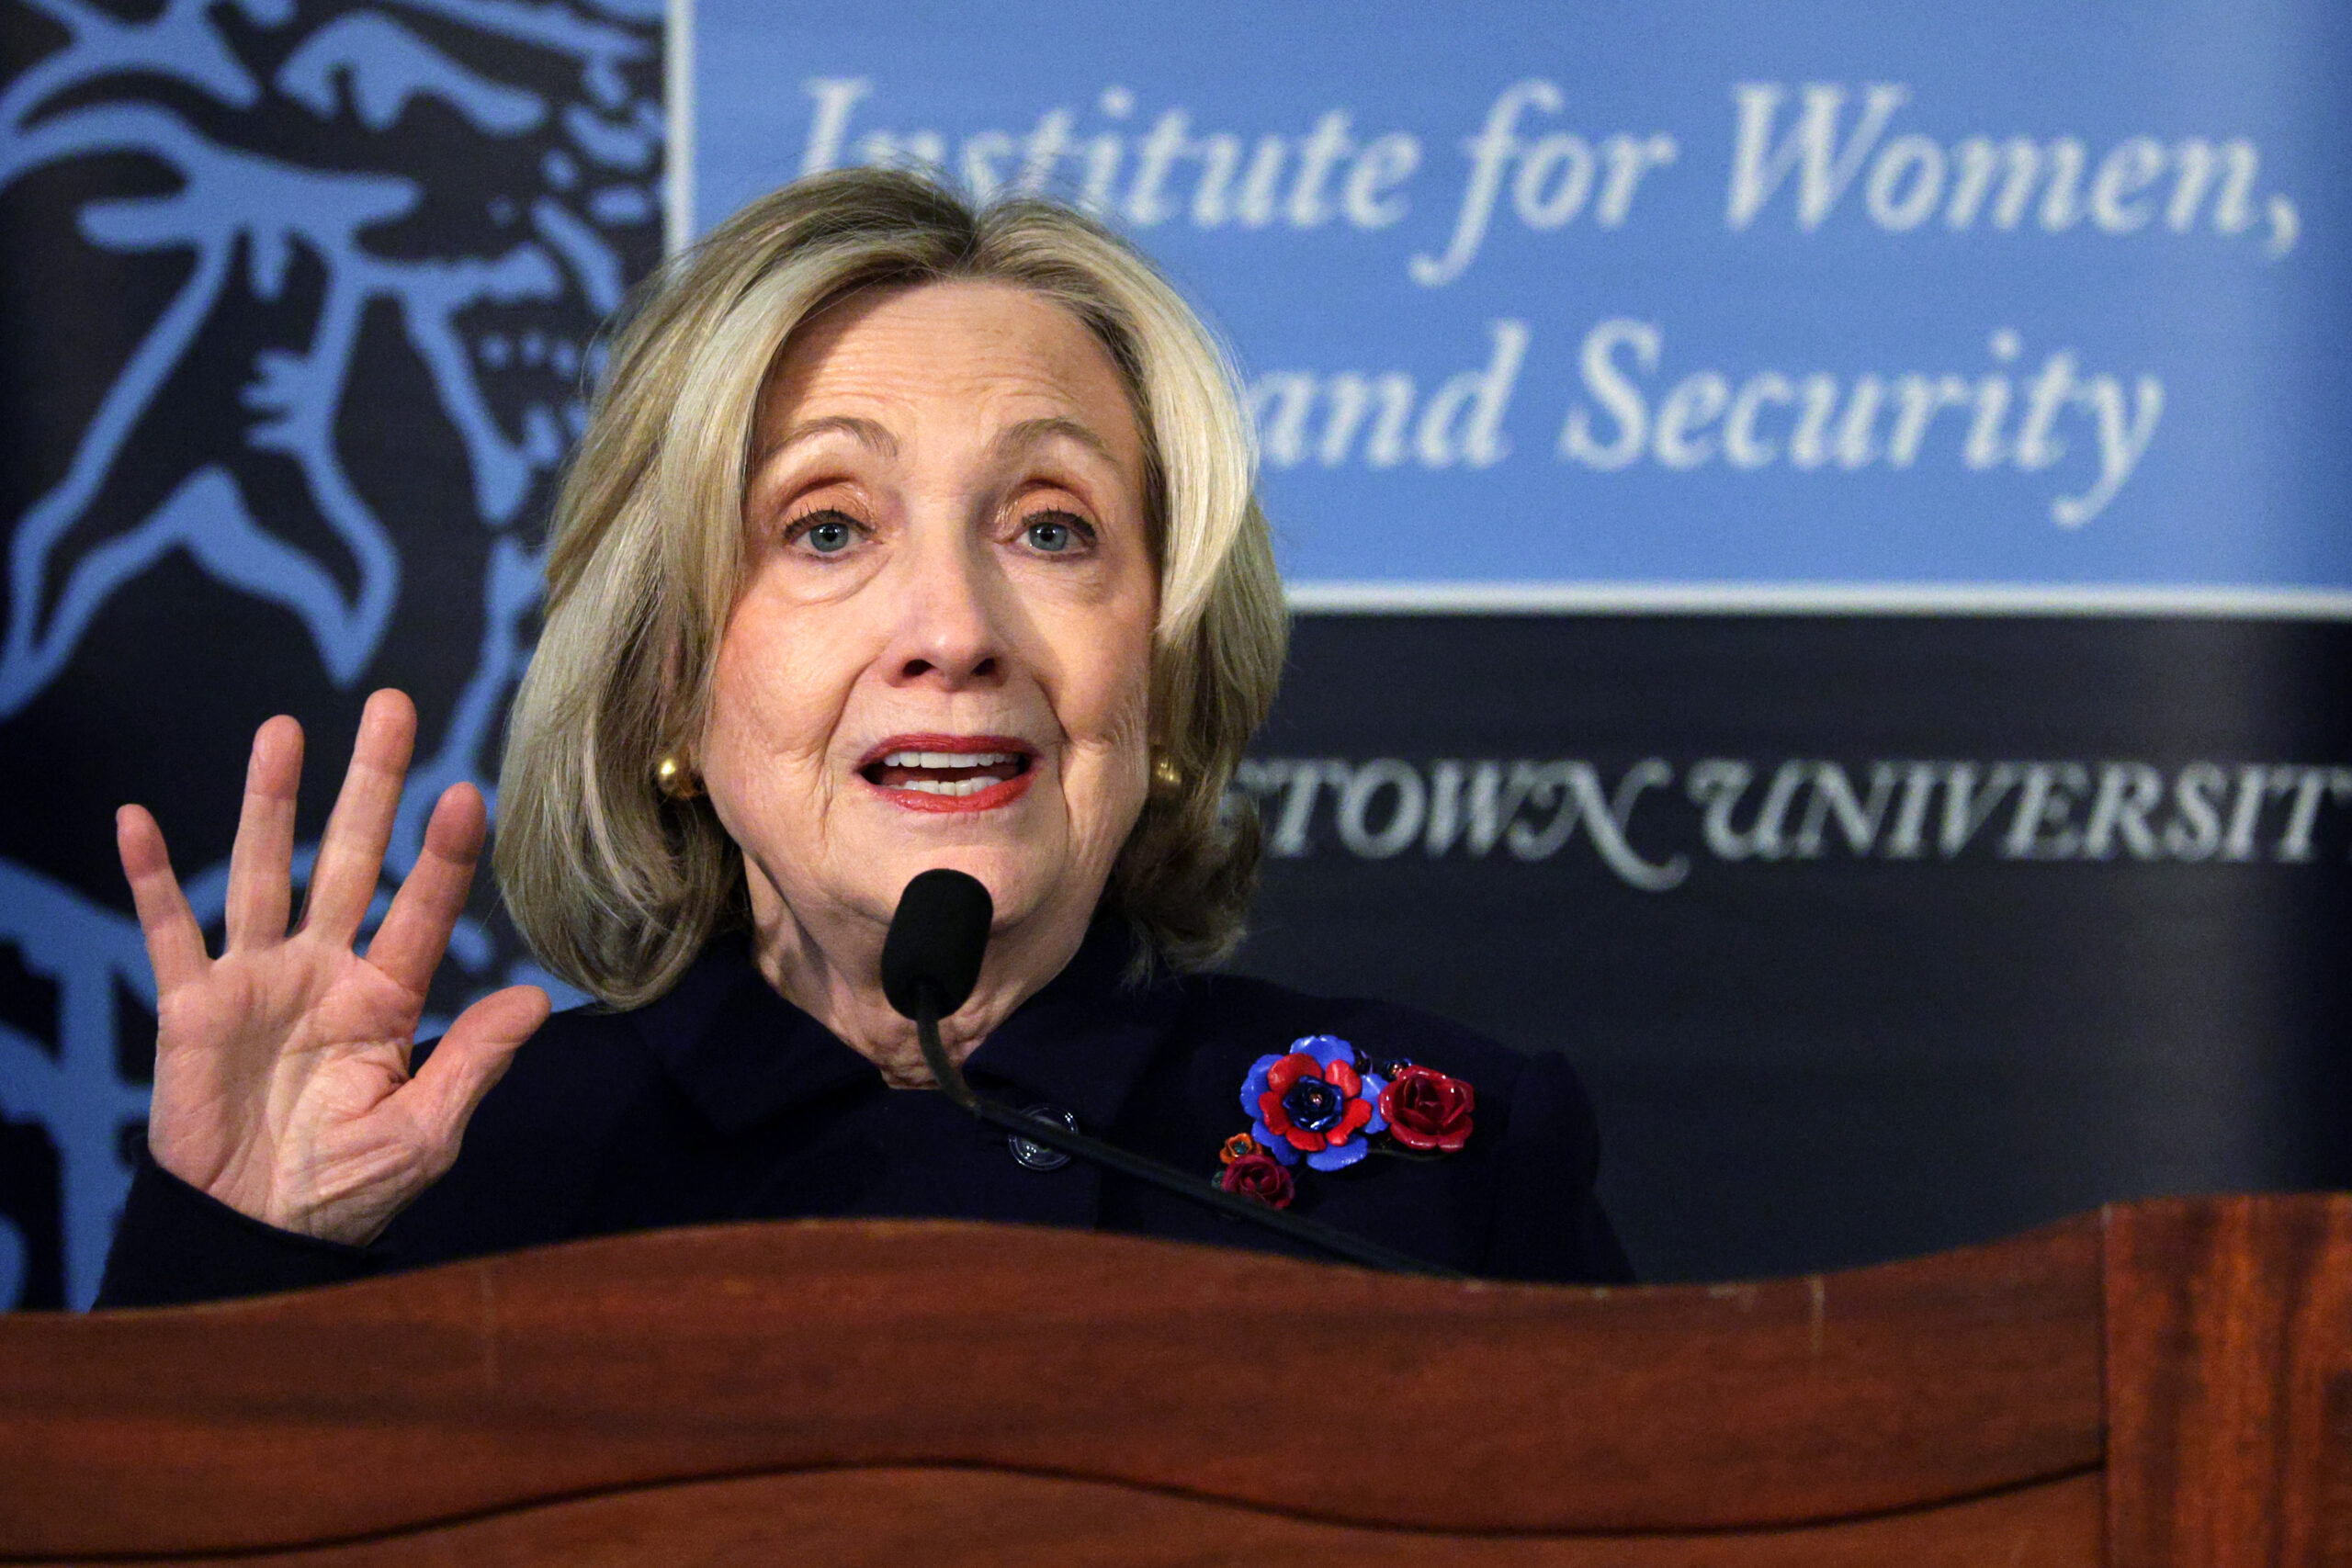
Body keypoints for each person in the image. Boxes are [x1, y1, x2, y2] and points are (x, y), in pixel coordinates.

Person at [96, 171, 1630, 1307]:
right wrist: (235, 1255)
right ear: (670, 679)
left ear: (1163, 671)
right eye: (827, 528)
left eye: (1051, 527)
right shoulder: (442, 1179)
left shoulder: (1437, 1168)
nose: (953, 629)